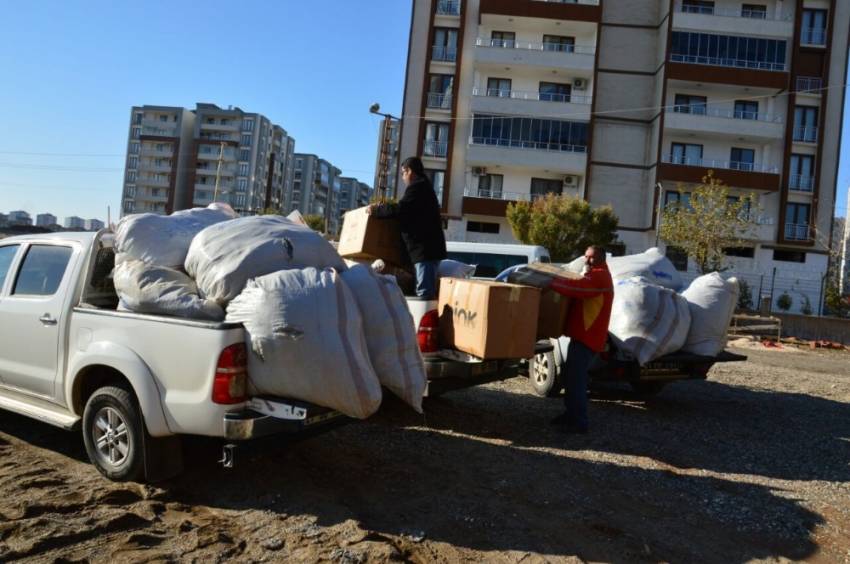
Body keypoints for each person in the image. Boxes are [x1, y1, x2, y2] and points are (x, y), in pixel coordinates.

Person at [548, 246, 614, 434]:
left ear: (601, 258)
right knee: (570, 376)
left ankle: (579, 421)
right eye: (585, 257)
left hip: (588, 339)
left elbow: (576, 288)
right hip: (581, 337)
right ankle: (570, 415)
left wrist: (551, 282)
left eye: (591, 258)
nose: (587, 261)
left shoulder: (601, 276)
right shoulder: (594, 274)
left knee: (576, 380)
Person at [368, 156, 447, 299]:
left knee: (424, 293)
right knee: (422, 291)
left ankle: (423, 321)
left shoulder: (418, 187)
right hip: (425, 251)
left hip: (425, 251)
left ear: (410, 171)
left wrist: (376, 211)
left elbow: (401, 210)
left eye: (403, 173)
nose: (403, 177)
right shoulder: (423, 187)